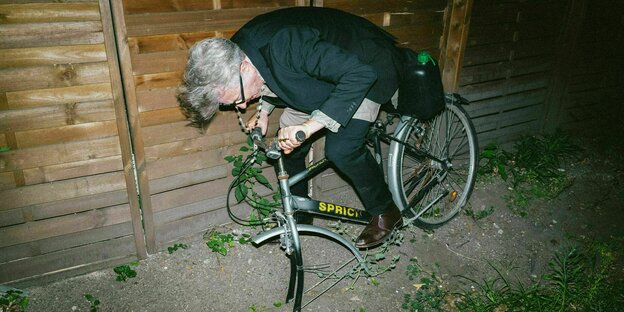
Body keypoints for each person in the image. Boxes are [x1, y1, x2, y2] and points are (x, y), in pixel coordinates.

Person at [177, 7, 404, 248]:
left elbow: (359, 74)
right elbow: (271, 73)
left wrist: (309, 127)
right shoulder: (237, 51)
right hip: (320, 80)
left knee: (342, 150)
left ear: (243, 68)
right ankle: (301, 212)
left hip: (362, 67)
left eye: (238, 99)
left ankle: (386, 212)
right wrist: (263, 111)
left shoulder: (286, 44)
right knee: (285, 147)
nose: (242, 106)